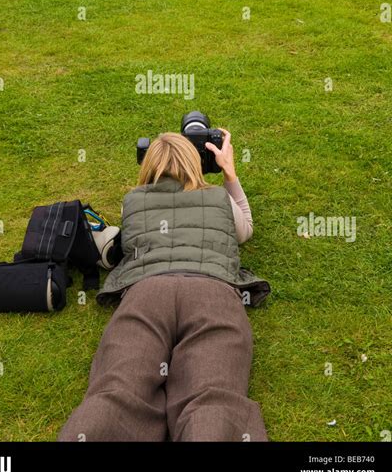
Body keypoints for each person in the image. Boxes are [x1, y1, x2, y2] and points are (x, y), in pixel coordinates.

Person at [57, 130, 268, 442]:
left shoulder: (132, 201)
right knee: (213, 394)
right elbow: (245, 230)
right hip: (212, 294)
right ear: (197, 162)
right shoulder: (219, 198)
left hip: (146, 293)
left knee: (118, 389)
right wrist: (229, 172)